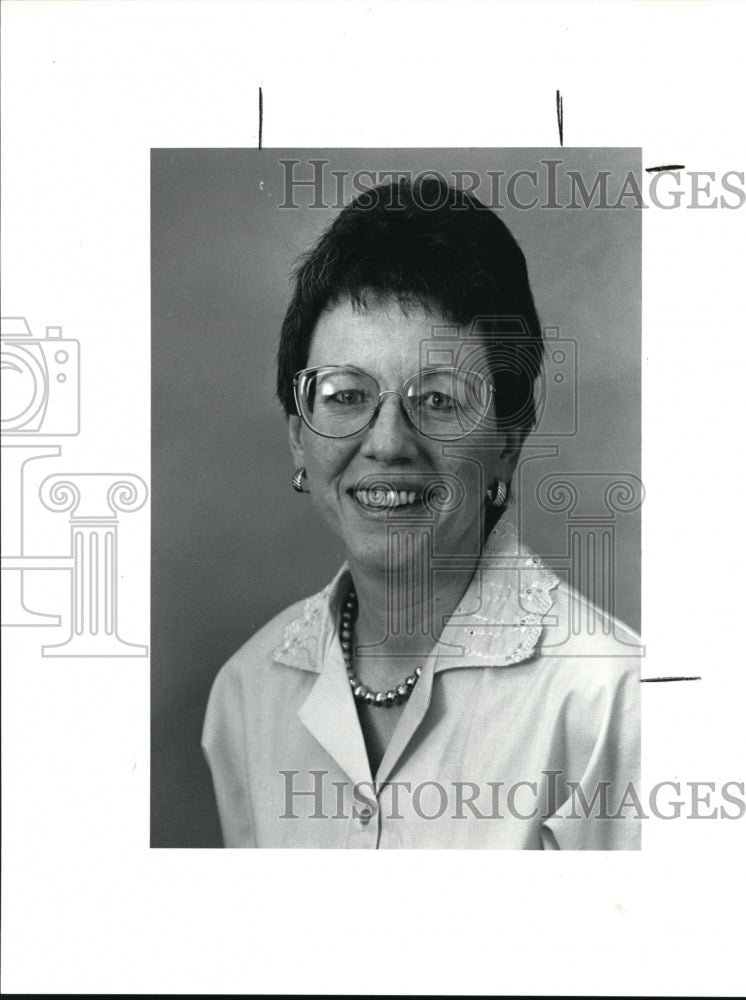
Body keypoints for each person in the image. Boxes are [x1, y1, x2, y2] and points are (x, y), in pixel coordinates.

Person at [202, 177, 641, 849]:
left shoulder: (611, 699)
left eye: (438, 399)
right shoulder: (246, 691)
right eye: (346, 395)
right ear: (298, 431)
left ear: (509, 438)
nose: (387, 443)